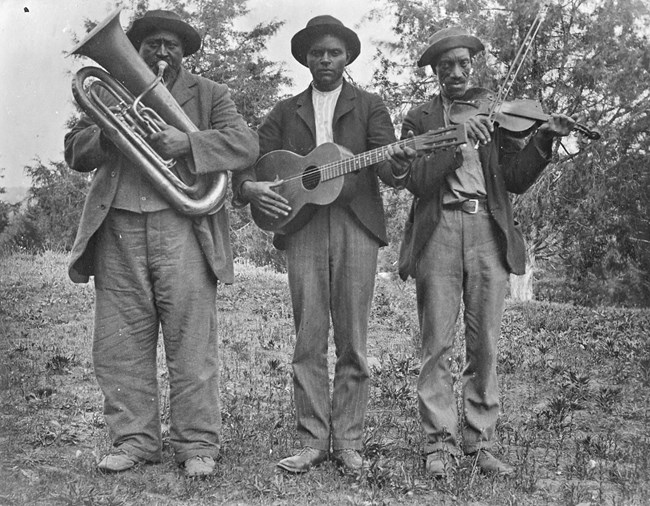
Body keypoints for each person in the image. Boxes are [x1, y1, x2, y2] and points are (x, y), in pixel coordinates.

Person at [64, 10, 258, 477]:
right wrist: (110, 134)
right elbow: (74, 151)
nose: (162, 52)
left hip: (184, 229)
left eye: (172, 44)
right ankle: (133, 440)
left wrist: (186, 145)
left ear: (185, 51)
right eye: (152, 44)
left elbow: (245, 144)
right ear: (137, 49)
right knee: (120, 344)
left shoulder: (210, 94)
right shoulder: (110, 86)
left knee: (191, 343)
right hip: (119, 230)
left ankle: (197, 445)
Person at [387, 27, 575, 478]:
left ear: (473, 66)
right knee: (436, 342)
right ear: (435, 72)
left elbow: (514, 178)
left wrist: (544, 140)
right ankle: (439, 444)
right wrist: (456, 138)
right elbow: (415, 181)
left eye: (463, 65)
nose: (456, 73)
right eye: (446, 66)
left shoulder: (494, 113)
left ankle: (478, 441)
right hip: (440, 229)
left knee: (485, 342)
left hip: (488, 230)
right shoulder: (419, 117)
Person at [231, 15, 410, 474]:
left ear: (347, 56)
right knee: (308, 335)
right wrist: (249, 188)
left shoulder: (371, 106)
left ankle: (348, 441)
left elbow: (389, 169)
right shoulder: (284, 112)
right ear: (306, 59)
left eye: (333, 52)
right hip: (302, 223)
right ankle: (312, 439)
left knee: (353, 337)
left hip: (356, 224)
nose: (325, 60)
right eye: (317, 53)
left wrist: (402, 160)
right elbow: (251, 160)